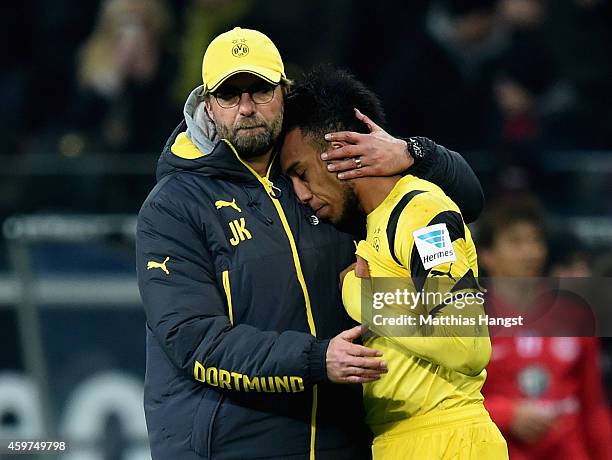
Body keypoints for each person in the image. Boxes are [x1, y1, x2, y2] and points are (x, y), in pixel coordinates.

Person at [137, 27, 485, 460]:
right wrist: (316, 359)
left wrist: (413, 151)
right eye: (229, 95)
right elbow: (193, 340)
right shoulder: (174, 205)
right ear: (206, 104)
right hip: (229, 447)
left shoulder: (318, 170)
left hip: (344, 442)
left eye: (260, 90)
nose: (246, 107)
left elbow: (466, 202)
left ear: (284, 91)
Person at [280, 67, 508, 459]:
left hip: (448, 439)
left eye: (301, 174)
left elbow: (465, 342)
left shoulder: (421, 212)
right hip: (401, 440)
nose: (300, 194)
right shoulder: (374, 226)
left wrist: (363, 297)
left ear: (342, 147)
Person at [477, 197, 612, 460]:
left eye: (535, 241)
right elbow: (447, 403)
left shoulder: (575, 315)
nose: (530, 252)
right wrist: (507, 414)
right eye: (516, 242)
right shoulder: (468, 318)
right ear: (487, 254)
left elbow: (592, 407)